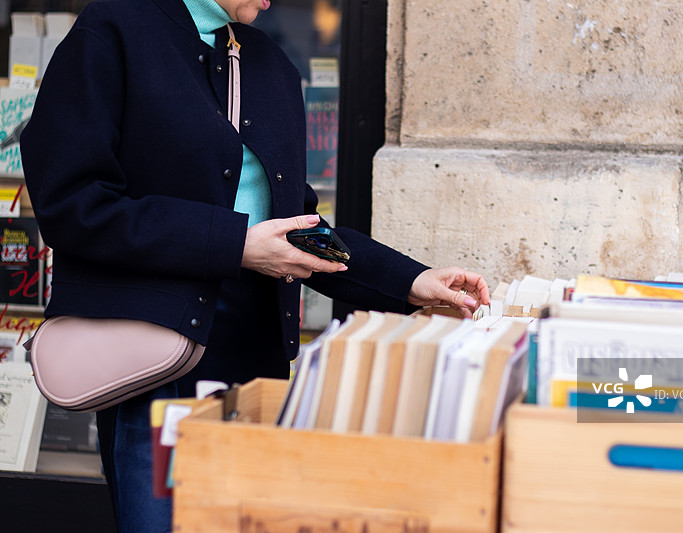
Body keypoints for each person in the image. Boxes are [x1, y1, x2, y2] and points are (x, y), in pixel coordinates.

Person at [19, 0, 491, 531]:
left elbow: (298, 228)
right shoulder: (114, 31)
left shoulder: (272, 64)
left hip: (257, 367)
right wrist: (235, 243)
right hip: (153, 364)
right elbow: (74, 205)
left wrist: (411, 281)